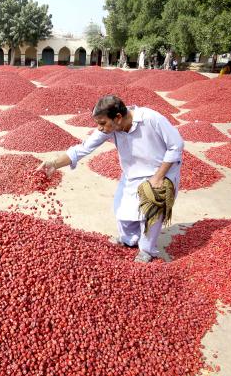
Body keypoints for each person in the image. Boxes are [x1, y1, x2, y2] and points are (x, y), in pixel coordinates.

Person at [36, 95, 184, 263]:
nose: (100, 128)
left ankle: (147, 250)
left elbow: (176, 145)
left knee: (151, 213)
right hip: (133, 173)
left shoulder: (150, 118)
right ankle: (129, 241)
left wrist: (158, 177)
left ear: (118, 118)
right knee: (123, 211)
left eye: (102, 123)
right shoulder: (111, 127)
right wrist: (53, 164)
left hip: (161, 171)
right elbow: (83, 148)